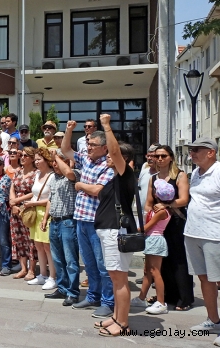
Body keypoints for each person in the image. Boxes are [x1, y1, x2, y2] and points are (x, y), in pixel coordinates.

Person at [61, 123, 115, 319]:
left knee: (103, 264)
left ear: (104, 148)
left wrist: (80, 184)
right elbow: (66, 150)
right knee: (90, 263)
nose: (88, 147)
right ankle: (93, 296)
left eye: (92, 144)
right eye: (88, 143)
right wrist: (68, 130)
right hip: (81, 219)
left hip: (97, 222)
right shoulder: (86, 159)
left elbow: (98, 190)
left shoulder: (108, 166)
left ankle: (108, 302)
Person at [91, 114, 136, 336]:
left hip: (115, 231)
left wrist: (107, 127)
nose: (108, 156)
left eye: (110, 153)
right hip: (109, 230)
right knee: (115, 276)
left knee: (119, 278)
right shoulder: (114, 178)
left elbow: (116, 152)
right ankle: (116, 317)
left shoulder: (125, 173)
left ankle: (123, 323)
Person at [144, 145, 194, 312]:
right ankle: (165, 295)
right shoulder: (154, 178)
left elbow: (184, 199)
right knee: (162, 261)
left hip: (176, 221)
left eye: (163, 156)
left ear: (171, 157)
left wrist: (166, 205)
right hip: (159, 222)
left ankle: (184, 298)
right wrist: (150, 213)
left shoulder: (180, 175)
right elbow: (149, 202)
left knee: (178, 258)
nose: (159, 159)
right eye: (157, 156)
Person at [184, 138, 220, 338]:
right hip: (193, 233)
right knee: (204, 279)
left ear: (211, 152)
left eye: (197, 150)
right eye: (191, 150)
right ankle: (214, 320)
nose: (192, 153)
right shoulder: (196, 173)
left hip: (215, 234)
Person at [43, 150, 81, 306]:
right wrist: (46, 218)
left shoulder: (74, 175)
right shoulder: (53, 178)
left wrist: (58, 157)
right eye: (53, 161)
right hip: (55, 221)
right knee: (57, 259)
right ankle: (62, 288)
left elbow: (70, 173)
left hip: (68, 222)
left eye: (59, 161)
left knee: (70, 260)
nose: (55, 164)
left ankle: (73, 292)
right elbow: (50, 200)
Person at [130, 179, 173, 315]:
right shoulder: (159, 209)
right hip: (151, 240)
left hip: (155, 239)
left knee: (155, 271)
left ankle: (161, 302)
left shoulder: (162, 212)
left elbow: (147, 227)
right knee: (147, 271)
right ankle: (142, 297)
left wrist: (133, 229)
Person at [25, 148, 56, 289]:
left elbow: (51, 199)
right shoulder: (37, 174)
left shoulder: (52, 176)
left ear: (46, 159)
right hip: (35, 213)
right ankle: (42, 274)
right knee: (38, 245)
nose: (36, 162)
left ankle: (52, 277)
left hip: (46, 213)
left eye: (39, 159)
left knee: (47, 246)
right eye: (35, 159)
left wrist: (34, 203)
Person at [8, 147, 38, 279]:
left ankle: (32, 269)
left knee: (30, 239)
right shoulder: (18, 171)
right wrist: (12, 203)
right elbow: (12, 187)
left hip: (29, 207)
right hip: (16, 209)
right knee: (18, 239)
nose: (23, 157)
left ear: (32, 158)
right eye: (22, 155)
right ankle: (23, 268)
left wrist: (18, 200)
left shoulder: (36, 173)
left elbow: (35, 191)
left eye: (26, 155)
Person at [138, 144, 159, 220]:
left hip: (156, 215)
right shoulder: (144, 171)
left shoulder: (163, 175)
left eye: (152, 156)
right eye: (148, 156)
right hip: (142, 213)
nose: (149, 158)